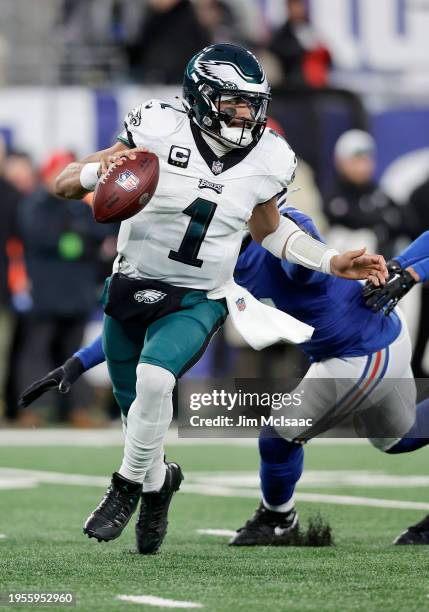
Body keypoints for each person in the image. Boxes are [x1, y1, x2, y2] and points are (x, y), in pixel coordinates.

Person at [53, 43, 386, 555]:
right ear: (202, 96)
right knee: (137, 409)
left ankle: (123, 487)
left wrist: (331, 260)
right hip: (132, 282)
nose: (245, 114)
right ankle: (157, 483)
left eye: (253, 103)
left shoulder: (270, 156)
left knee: (155, 377)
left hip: (199, 294)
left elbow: (272, 232)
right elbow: (64, 184)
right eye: (233, 102)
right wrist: (100, 173)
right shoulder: (155, 127)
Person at [20, 200, 428, 547]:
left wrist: (310, 258)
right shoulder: (219, 254)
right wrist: (78, 362)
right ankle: (278, 518)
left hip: (363, 346)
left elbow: (302, 266)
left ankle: (278, 520)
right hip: (343, 348)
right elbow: (149, 328)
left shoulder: (284, 228)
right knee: (395, 439)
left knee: (282, 432)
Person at [324, 130, 403, 258]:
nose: (361, 167)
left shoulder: (377, 191)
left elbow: (402, 220)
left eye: (365, 160)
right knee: (354, 237)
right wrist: (380, 219)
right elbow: (345, 217)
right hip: (345, 256)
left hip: (383, 258)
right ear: (340, 162)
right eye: (355, 161)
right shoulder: (335, 192)